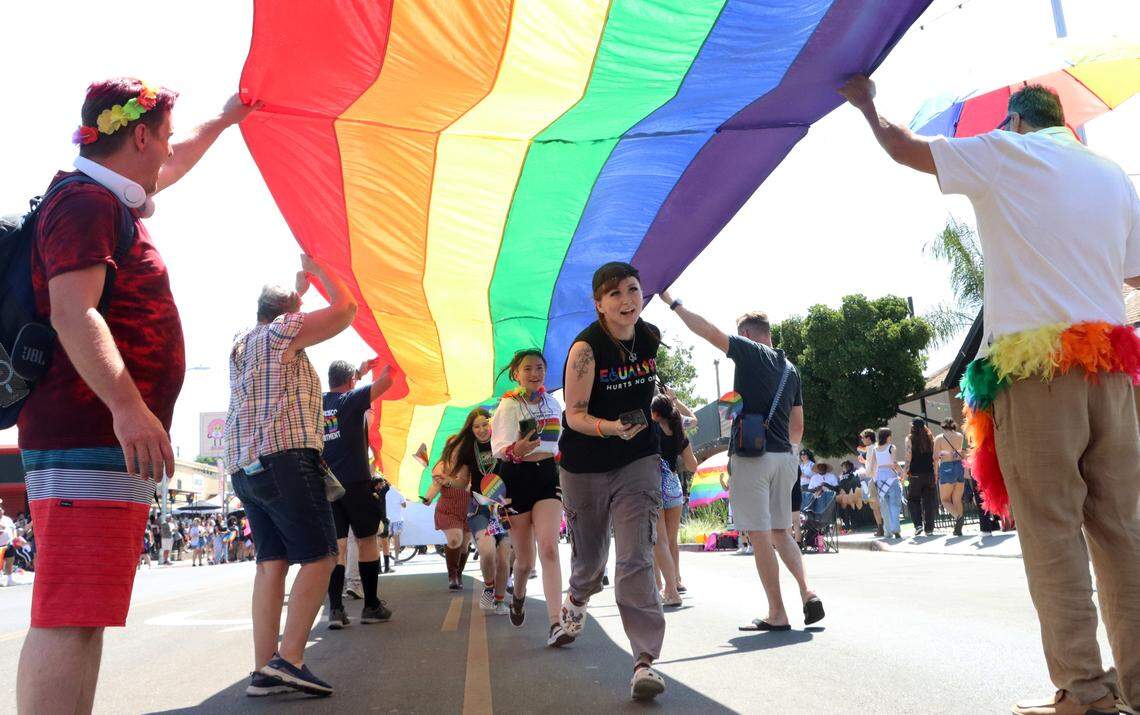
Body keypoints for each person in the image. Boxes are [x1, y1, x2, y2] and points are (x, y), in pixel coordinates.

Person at [842, 74, 1140, 715]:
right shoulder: (1113, 175)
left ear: (1015, 123)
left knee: (1053, 531)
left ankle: (1086, 693)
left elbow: (903, 147)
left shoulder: (1007, 152)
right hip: (1115, 374)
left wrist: (867, 104)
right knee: (1122, 531)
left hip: (1037, 376)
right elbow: (1136, 273)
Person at [14, 78, 255, 715]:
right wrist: (127, 406)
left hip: (94, 442)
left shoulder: (107, 195)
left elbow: (171, 166)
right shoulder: (86, 203)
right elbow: (73, 311)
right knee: (69, 614)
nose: (168, 152)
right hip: (86, 436)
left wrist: (226, 121)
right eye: (164, 137)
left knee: (83, 612)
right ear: (139, 135)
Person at [224, 253, 357, 698]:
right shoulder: (284, 332)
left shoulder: (243, 341)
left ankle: (266, 666)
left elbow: (288, 312)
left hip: (246, 467)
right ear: (287, 316)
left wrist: (298, 289)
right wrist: (321, 272)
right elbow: (346, 309)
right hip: (284, 459)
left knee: (271, 564)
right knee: (321, 556)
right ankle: (291, 658)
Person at [661, 289, 825, 635]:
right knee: (782, 532)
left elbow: (706, 331)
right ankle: (807, 591)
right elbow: (799, 426)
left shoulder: (749, 352)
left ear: (748, 334)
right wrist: (791, 455)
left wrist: (673, 303)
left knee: (761, 535)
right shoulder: (790, 369)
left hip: (754, 457)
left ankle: (777, 612)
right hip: (785, 458)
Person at [560, 262, 667, 701]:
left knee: (635, 557)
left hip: (637, 459)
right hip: (584, 465)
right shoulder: (585, 349)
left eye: (633, 290)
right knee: (591, 561)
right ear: (598, 304)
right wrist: (611, 427)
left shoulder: (650, 337)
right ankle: (578, 597)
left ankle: (644, 662)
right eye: (615, 294)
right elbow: (575, 415)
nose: (627, 301)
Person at [491, 350, 570, 646]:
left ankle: (555, 623)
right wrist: (517, 450)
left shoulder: (553, 403)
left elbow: (558, 443)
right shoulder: (509, 406)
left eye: (539, 368)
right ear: (517, 374)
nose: (535, 374)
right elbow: (499, 447)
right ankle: (519, 596)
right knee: (524, 561)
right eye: (528, 369)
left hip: (547, 476)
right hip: (517, 479)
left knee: (549, 547)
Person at [321, 358, 394, 630]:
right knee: (366, 541)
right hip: (356, 483)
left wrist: (359, 373)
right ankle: (371, 606)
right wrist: (391, 357)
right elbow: (387, 381)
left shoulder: (318, 403)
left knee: (337, 547)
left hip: (328, 486)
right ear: (351, 381)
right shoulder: (351, 399)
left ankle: (336, 610)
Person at [424, 409, 486, 590]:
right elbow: (435, 485)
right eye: (452, 446)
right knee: (455, 540)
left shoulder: (468, 465)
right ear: (447, 448)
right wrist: (427, 498)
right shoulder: (441, 466)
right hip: (448, 509)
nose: (456, 450)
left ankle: (458, 574)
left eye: (459, 447)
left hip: (467, 509)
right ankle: (452, 576)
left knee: (465, 546)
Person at [650, 393, 697, 605]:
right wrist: (677, 401)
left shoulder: (652, 430)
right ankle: (676, 580)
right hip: (674, 486)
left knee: (658, 541)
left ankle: (660, 585)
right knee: (671, 540)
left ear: (656, 413)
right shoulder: (679, 432)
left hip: (655, 484)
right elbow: (692, 465)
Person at [904, 418, 938, 537]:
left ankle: (918, 525)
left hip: (915, 475)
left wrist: (904, 473)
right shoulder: (930, 438)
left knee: (913, 500)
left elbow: (908, 457)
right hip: (929, 473)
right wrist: (935, 473)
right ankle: (929, 529)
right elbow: (934, 457)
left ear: (912, 426)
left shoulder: (910, 438)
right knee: (929, 501)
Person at [933, 420, 969, 536]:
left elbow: (935, 457)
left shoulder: (939, 438)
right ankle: (958, 528)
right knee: (957, 499)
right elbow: (964, 453)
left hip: (946, 468)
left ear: (943, 426)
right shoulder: (960, 436)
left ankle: (958, 517)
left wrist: (936, 473)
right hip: (959, 466)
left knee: (945, 500)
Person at [866, 429, 903, 539]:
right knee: (894, 504)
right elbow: (893, 463)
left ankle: (888, 531)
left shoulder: (875, 449)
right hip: (891, 477)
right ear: (888, 437)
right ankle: (895, 529)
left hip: (880, 478)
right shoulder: (891, 447)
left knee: (884, 506)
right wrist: (902, 472)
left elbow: (872, 466)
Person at [857, 429, 885, 536]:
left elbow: (871, 467)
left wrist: (866, 471)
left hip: (875, 479)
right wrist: (864, 462)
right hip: (880, 478)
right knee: (880, 505)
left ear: (868, 438)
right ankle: (883, 528)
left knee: (875, 505)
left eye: (863, 438)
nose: (862, 440)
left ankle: (880, 528)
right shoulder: (875, 447)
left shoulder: (871, 448)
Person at [379, 478, 406, 573]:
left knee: (383, 540)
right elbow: (404, 505)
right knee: (396, 540)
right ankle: (396, 559)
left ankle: (382, 562)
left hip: (386, 519)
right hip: (397, 519)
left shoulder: (382, 492)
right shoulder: (398, 493)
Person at [0, 502, 21, 587]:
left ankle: (10, 580)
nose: (0, 511)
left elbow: (14, 529)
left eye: (1, 510)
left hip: (9, 544)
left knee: (10, 562)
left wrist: (14, 538)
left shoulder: (7, 519)